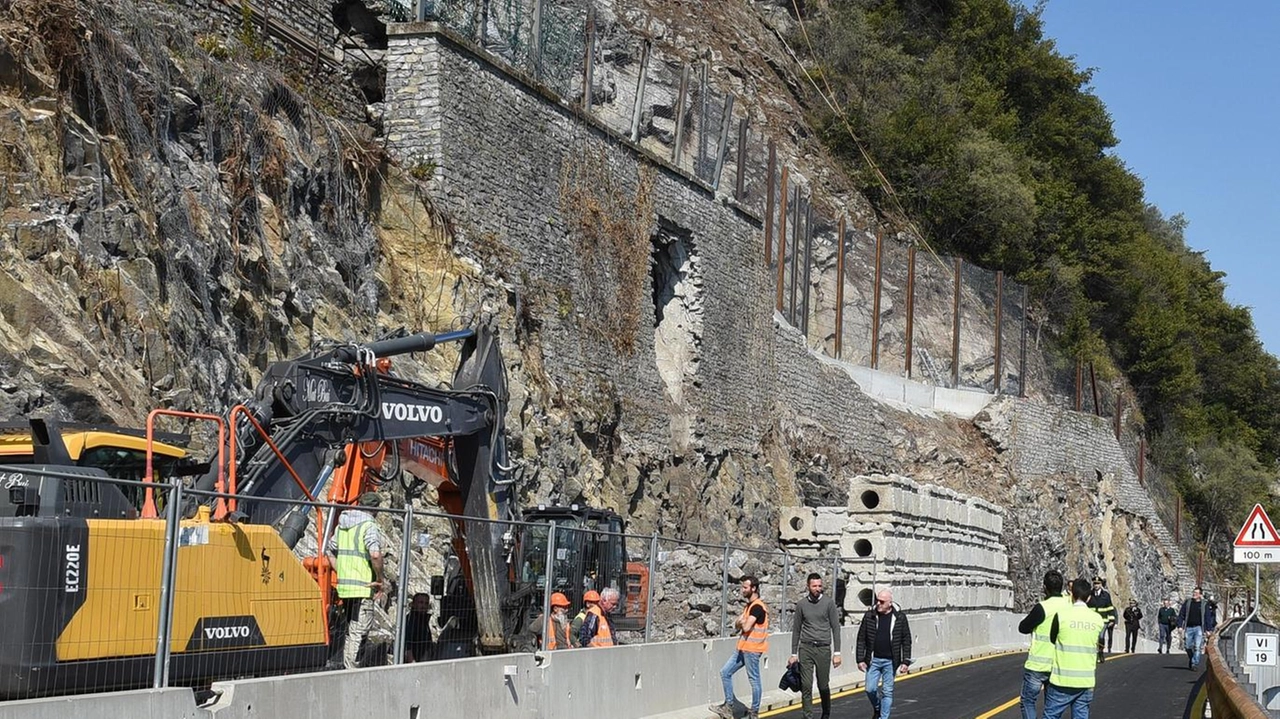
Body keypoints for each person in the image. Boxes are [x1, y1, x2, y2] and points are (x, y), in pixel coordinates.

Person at [327, 491, 387, 669]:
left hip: (345, 587)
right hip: (363, 587)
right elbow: (375, 555)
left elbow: (329, 551)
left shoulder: (342, 526)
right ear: (375, 510)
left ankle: (348, 666)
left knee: (350, 630)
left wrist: (342, 571)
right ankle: (352, 670)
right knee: (359, 631)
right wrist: (380, 579)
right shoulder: (368, 526)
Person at [1043, 578, 1104, 719]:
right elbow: (1098, 640)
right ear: (1089, 598)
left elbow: (1053, 639)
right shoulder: (1097, 619)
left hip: (1061, 680)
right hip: (1085, 681)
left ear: (1072, 595)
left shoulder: (1061, 616)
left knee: (1051, 716)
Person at [710, 576, 768, 719]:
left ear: (753, 588)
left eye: (745, 587)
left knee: (754, 679)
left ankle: (754, 712)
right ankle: (729, 706)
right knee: (725, 672)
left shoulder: (757, 607)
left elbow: (746, 625)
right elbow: (737, 624)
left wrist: (741, 622)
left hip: (753, 650)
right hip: (742, 648)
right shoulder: (749, 606)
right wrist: (740, 622)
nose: (742, 590)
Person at [788, 573, 842, 719]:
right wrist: (794, 654)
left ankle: (826, 713)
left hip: (823, 648)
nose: (818, 588)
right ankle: (808, 716)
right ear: (808, 586)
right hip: (806, 648)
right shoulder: (801, 605)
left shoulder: (829, 603)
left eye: (819, 585)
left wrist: (837, 652)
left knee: (823, 685)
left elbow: (835, 627)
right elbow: (797, 630)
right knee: (806, 685)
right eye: (814, 586)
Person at [1018, 570, 1070, 719]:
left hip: (1038, 665)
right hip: (1059, 664)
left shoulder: (1043, 607)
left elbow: (1023, 627)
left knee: (1028, 701)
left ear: (1044, 588)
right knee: (1052, 706)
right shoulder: (1069, 606)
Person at [857, 588, 912, 719]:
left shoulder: (899, 617)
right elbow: (861, 638)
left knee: (887, 691)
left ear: (889, 603)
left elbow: (906, 639)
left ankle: (883, 717)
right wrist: (860, 659)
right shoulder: (869, 616)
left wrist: (906, 661)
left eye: (882, 602)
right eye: (877, 601)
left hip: (891, 661)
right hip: (873, 660)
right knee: (870, 689)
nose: (878, 604)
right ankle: (877, 707)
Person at [1087, 578, 1116, 663]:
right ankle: (1093, 654)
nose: (1096, 585)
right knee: (1092, 638)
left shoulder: (1106, 595)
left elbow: (1110, 607)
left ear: (1101, 584)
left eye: (1098, 583)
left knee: (1101, 637)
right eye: (1095, 583)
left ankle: (1101, 652)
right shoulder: (1089, 594)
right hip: (1092, 620)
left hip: (1103, 620)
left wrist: (1112, 619)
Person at [1178, 586, 1206, 670]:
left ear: (1200, 595)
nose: (1194, 594)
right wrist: (1180, 626)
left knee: (1197, 647)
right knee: (1187, 646)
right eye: (1194, 592)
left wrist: (1208, 629)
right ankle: (1192, 658)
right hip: (1189, 627)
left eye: (1196, 593)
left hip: (1199, 628)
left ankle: (1194, 664)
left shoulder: (1204, 604)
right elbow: (1181, 615)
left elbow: (1207, 617)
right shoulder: (1188, 603)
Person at [403, 592, 435, 662]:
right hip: (415, 660)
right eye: (421, 602)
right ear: (414, 604)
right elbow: (407, 644)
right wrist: (412, 662)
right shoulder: (411, 620)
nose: (423, 606)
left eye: (426, 603)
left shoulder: (423, 619)